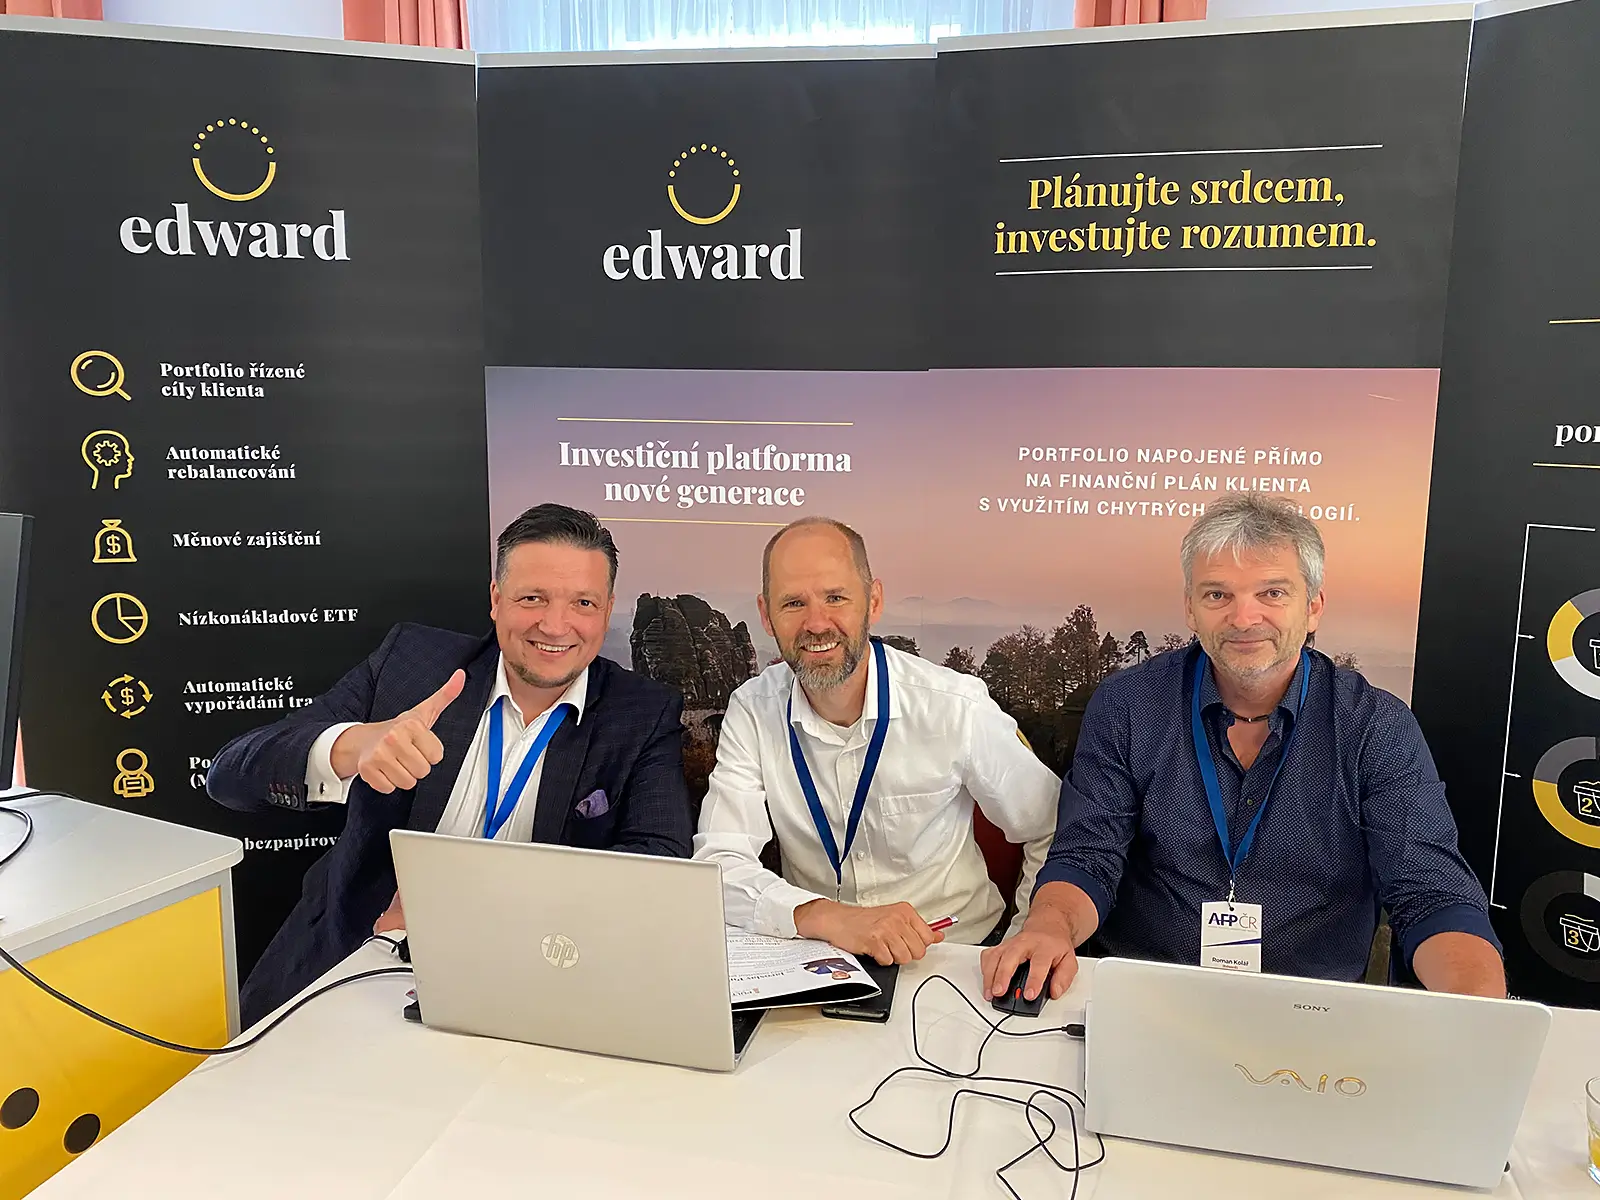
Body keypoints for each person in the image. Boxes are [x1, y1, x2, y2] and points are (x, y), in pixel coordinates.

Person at [983, 493, 1504, 1005]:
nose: (1243, 617)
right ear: (1190, 609)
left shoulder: (1375, 727)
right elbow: (1087, 857)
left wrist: (1477, 1002)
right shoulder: (1128, 706)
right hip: (1146, 994)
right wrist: (1049, 927)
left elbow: (1431, 894)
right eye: (1217, 595)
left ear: (1314, 607)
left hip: (1310, 1011)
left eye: (1272, 593)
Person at [209, 504, 693, 1025]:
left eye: (583, 603)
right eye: (532, 598)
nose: (556, 625)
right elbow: (230, 776)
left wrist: (486, 917)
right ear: (496, 599)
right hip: (358, 961)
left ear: (607, 609)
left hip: (529, 983)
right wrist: (353, 746)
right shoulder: (411, 663)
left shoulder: (641, 712)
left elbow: (659, 861)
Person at [695, 516, 1060, 967]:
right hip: (818, 957)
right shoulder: (753, 710)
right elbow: (719, 862)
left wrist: (1024, 940)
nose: (816, 623)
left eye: (835, 597)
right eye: (793, 603)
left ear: (874, 601)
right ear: (766, 615)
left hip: (953, 957)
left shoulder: (955, 705)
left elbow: (1052, 828)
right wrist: (825, 916)